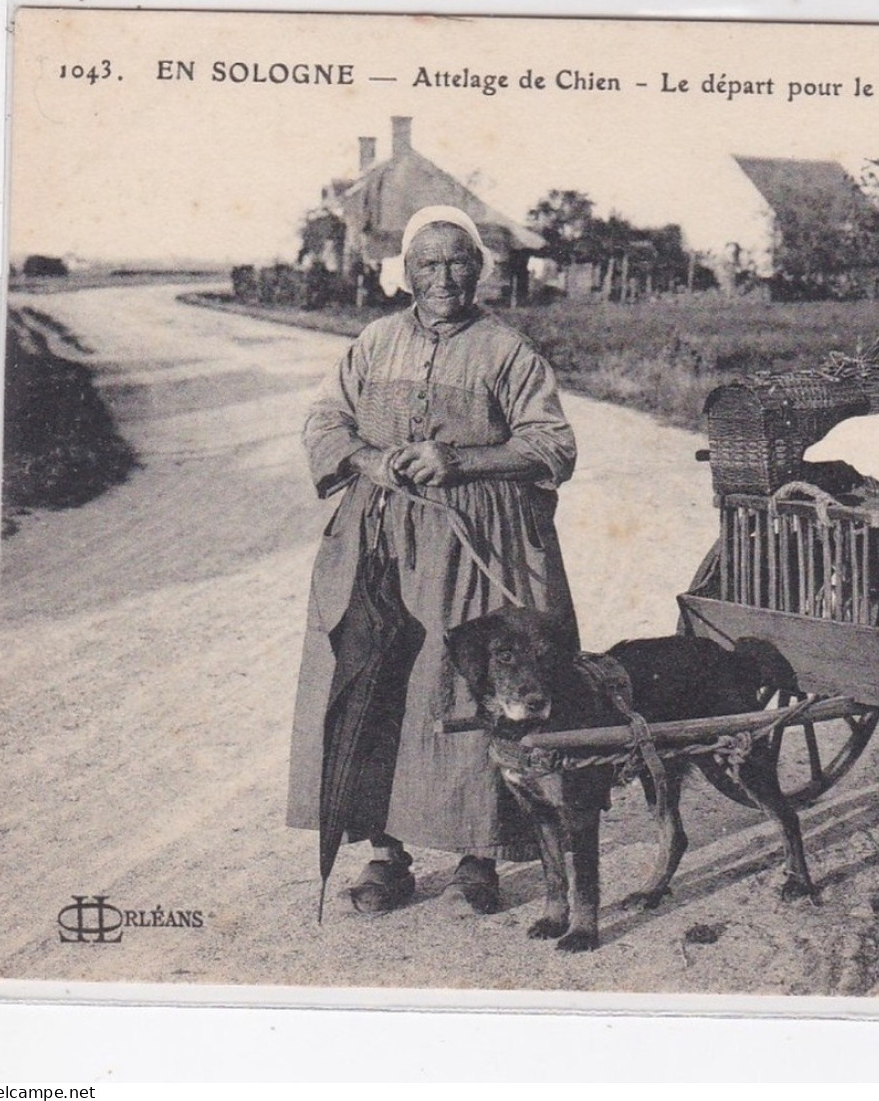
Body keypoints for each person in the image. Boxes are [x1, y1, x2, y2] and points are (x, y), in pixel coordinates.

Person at [287, 205, 578, 914]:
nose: (442, 277)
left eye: (455, 263)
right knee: (375, 680)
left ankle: (479, 853)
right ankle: (386, 855)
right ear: (405, 273)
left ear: (477, 269)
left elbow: (553, 446)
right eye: (427, 263)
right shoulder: (374, 341)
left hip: (474, 545)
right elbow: (324, 422)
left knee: (463, 687)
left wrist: (461, 459)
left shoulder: (507, 352)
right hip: (378, 539)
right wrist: (367, 460)